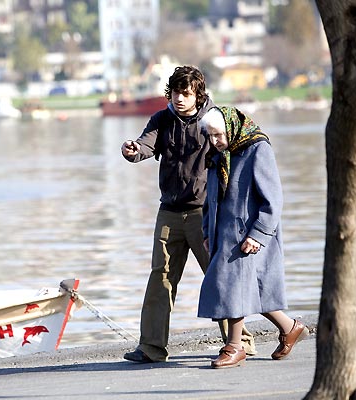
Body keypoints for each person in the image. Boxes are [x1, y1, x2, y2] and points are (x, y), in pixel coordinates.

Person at [120, 65, 256, 363]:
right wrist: (132, 150)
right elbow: (144, 145)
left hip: (206, 213)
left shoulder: (213, 119)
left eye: (186, 93)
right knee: (161, 278)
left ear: (198, 94)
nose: (179, 99)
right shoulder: (162, 119)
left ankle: (240, 342)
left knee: (220, 276)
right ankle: (152, 348)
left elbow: (237, 156)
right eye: (175, 93)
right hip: (169, 212)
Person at [198, 106, 309, 369]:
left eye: (217, 135)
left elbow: (273, 199)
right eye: (210, 136)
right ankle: (290, 327)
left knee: (231, 287)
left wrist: (258, 234)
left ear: (231, 128)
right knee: (248, 289)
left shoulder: (258, 149)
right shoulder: (219, 155)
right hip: (222, 233)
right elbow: (209, 198)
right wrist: (206, 231)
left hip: (247, 235)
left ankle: (235, 347)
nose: (214, 141)